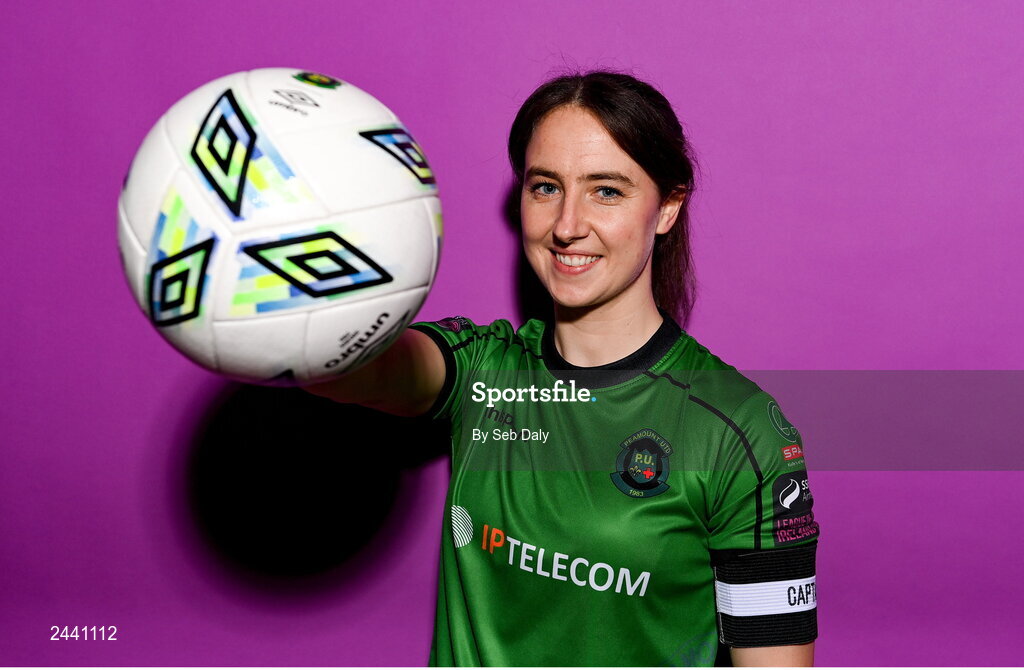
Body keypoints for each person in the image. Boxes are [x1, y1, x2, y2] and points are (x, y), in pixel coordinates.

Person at [306, 71, 820, 667]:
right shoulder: (482, 370)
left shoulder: (738, 430)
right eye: (546, 187)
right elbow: (351, 370)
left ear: (667, 207)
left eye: (607, 191)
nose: (567, 225)